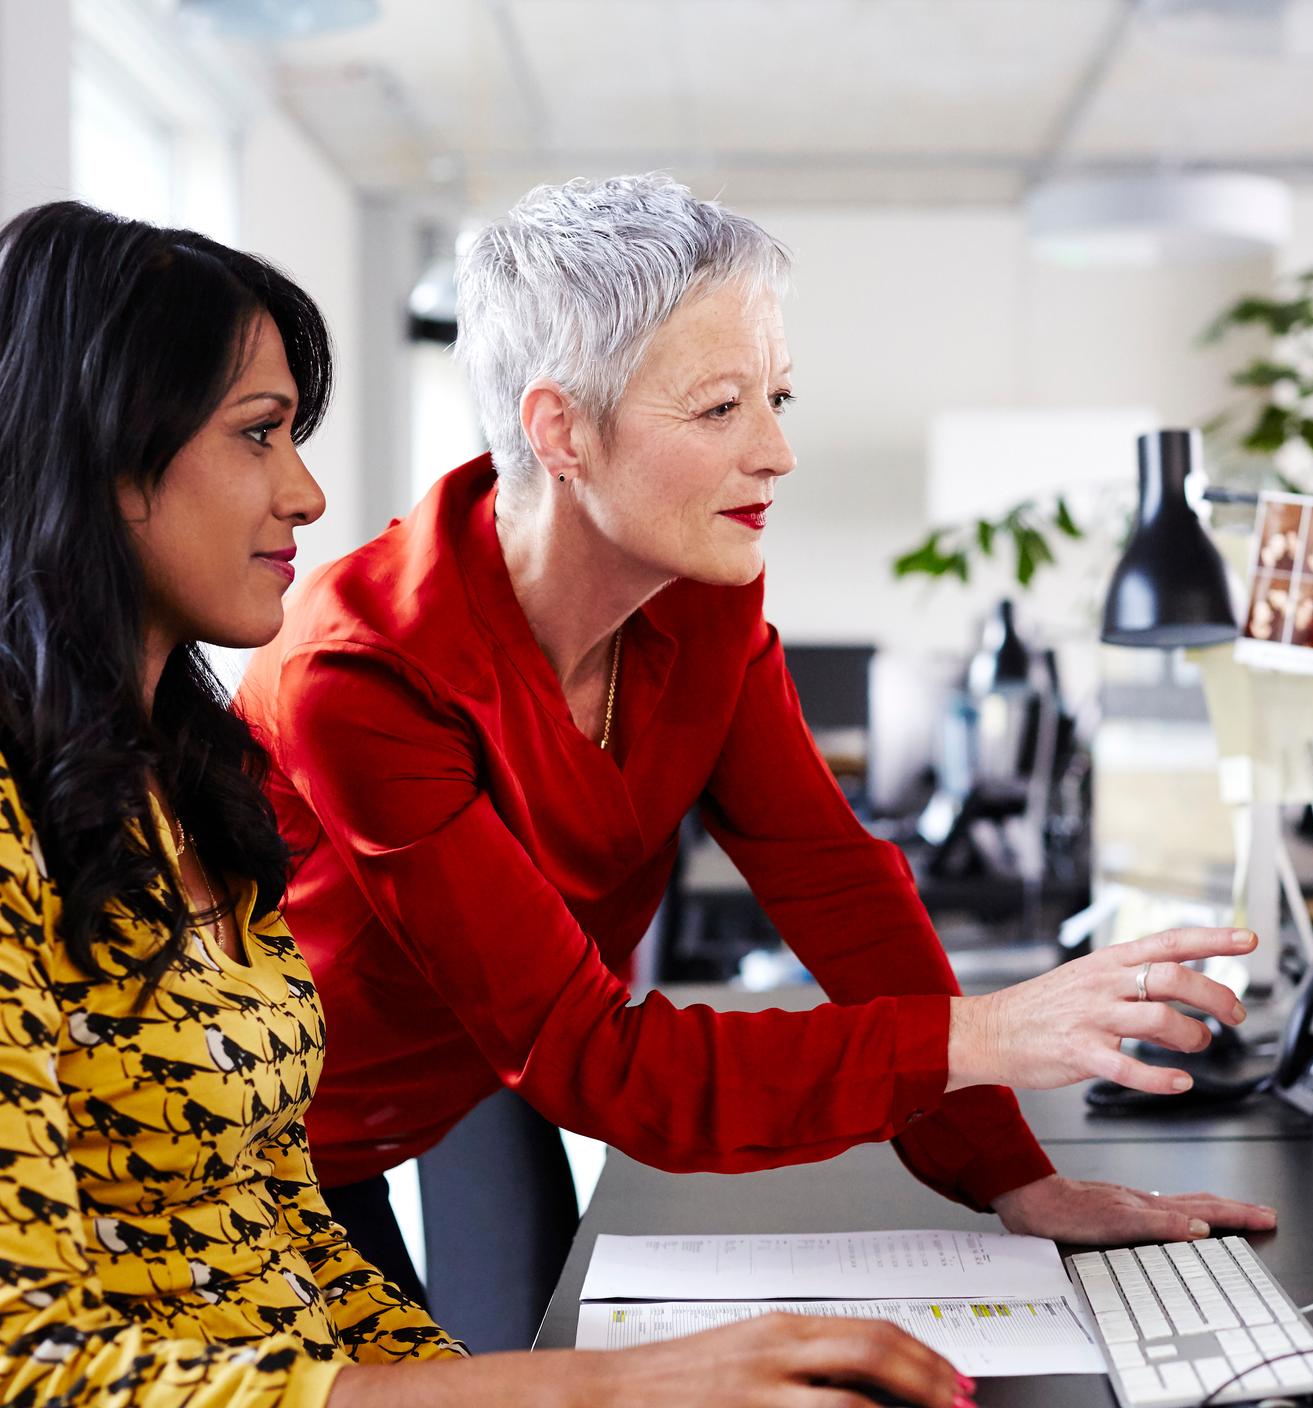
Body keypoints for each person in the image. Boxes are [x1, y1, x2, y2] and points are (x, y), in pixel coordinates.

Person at [238, 173, 1277, 1340]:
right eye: (721, 407)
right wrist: (984, 1031)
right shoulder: (361, 675)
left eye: (778, 396)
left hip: (489, 1058)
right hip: (282, 1138)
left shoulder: (700, 600)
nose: (778, 451)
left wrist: (1010, 1175)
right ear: (561, 429)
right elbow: (599, 1061)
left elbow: (836, 885)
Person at [0, 199, 970, 1408]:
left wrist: (509, 1388)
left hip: (419, 1153)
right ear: (103, 454)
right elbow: (38, 1369)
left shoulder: (179, 781)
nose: (306, 494)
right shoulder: (337, 676)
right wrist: (591, 1389)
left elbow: (272, 1225)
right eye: (259, 435)